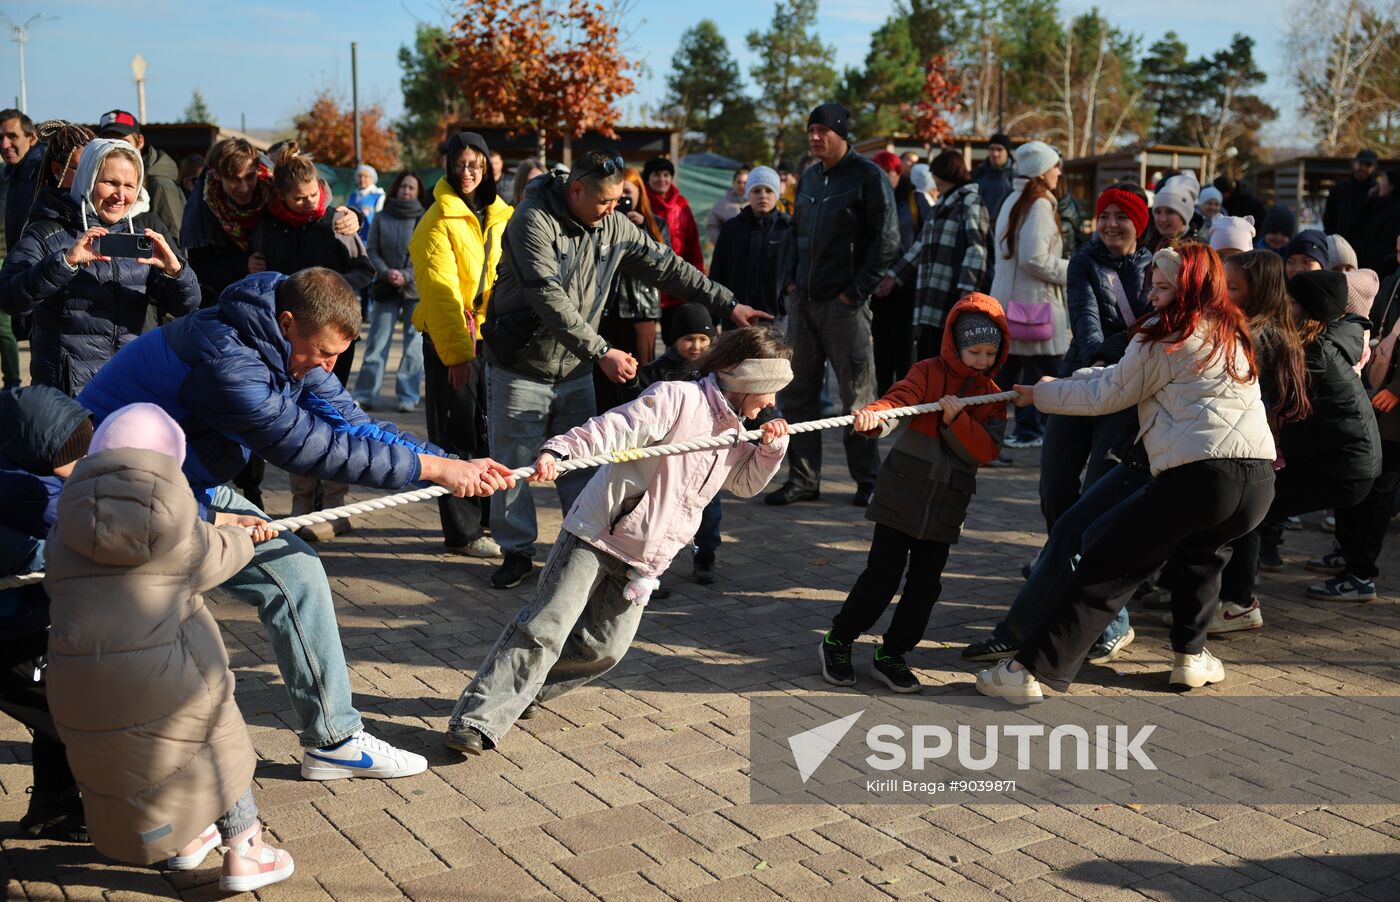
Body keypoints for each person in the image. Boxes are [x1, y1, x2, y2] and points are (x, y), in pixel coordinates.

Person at [77, 267, 517, 779]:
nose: (329, 366)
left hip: (181, 480)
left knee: (295, 569)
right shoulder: (225, 360)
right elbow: (309, 447)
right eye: (325, 354)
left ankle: (332, 741)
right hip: (118, 493)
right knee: (149, 622)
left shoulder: (286, 344)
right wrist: (437, 469)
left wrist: (451, 465)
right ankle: (127, 773)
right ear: (287, 322)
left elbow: (353, 425)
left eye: (337, 356)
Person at [445, 325, 793, 756]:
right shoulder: (678, 399)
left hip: (647, 559)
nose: (774, 402)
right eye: (771, 390)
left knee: (606, 648)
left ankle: (526, 691)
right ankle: (479, 718)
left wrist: (769, 450)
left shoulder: (738, 431)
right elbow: (615, 428)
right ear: (746, 381)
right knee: (546, 627)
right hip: (599, 532)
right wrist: (560, 451)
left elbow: (742, 484)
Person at [978, 244, 1277, 701]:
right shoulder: (1231, 329)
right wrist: (1050, 388)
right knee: (1203, 552)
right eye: (1152, 286)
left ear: (1191, 287)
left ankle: (1024, 672)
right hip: (1257, 484)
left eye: (1163, 287)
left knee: (1108, 566)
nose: (1153, 297)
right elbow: (1119, 377)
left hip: (1200, 476)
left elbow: (1108, 395)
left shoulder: (1166, 331)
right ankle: (1191, 658)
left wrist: (1042, 397)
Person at [479, 151, 771, 589]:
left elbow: (668, 266)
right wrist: (602, 351)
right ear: (576, 189)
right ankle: (516, 552)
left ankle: (581, 553)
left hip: (575, 368)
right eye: (605, 201)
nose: (615, 209)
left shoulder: (612, 222)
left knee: (584, 464)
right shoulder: (531, 221)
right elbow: (548, 298)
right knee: (514, 464)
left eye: (618, 200)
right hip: (520, 366)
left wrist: (729, 303)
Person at [44, 403, 294, 892]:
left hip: (79, 683)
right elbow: (220, 553)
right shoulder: (176, 528)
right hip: (167, 681)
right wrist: (248, 535)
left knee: (142, 757)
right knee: (218, 734)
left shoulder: (66, 528)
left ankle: (180, 842)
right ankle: (246, 850)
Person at [820, 294, 1008, 694]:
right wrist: (875, 417)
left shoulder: (993, 394)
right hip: (901, 494)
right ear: (956, 345)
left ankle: (893, 654)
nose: (981, 359)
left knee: (925, 587)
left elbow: (987, 450)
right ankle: (838, 639)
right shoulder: (927, 371)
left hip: (946, 505)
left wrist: (956, 420)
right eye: (974, 350)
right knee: (881, 578)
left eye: (990, 352)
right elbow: (898, 401)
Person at [1216, 269, 1380, 608]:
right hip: (1344, 461)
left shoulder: (1313, 355)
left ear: (1307, 310)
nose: (1283, 308)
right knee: (1252, 508)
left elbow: (1267, 393)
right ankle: (1236, 593)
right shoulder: (1319, 343)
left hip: (1346, 468)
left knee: (1251, 509)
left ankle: (1238, 603)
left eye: (1290, 303)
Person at [766, 103, 899, 507]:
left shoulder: (868, 177)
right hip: (803, 306)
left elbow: (887, 242)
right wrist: (790, 282)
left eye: (823, 130)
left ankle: (867, 480)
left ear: (842, 134)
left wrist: (853, 294)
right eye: (811, 130)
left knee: (858, 397)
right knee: (798, 395)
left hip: (845, 309)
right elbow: (796, 237)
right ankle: (804, 479)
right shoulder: (807, 178)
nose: (815, 137)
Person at [0, 138, 198, 396]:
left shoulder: (138, 237)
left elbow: (187, 305)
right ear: (88, 178)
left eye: (129, 185)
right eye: (111, 182)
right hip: (68, 396)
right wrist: (65, 262)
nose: (121, 195)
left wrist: (175, 271)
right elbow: (9, 297)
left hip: (130, 387)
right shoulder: (46, 233)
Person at [253, 143, 376, 540]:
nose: (308, 203)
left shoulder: (335, 221)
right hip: (288, 339)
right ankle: (302, 502)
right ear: (282, 196)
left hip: (333, 336)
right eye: (299, 198)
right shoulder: (268, 227)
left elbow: (364, 270)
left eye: (313, 195)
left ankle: (336, 505)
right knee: (294, 417)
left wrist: (332, 296)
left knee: (333, 413)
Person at [409, 131, 514, 559]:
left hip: (494, 339)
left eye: (476, 164)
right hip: (452, 339)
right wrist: (456, 354)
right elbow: (440, 291)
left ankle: (487, 520)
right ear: (449, 166)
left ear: (488, 167)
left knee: (489, 432)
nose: (467, 172)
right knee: (456, 436)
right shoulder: (437, 219)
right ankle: (463, 531)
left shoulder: (500, 215)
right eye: (460, 164)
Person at [0, 386, 92, 842]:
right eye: (73, 455)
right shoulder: (26, 490)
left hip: (24, 622)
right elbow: (98, 524)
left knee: (66, 700)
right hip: (7, 633)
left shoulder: (32, 475)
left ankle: (53, 810)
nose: (84, 464)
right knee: (78, 715)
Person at [1038, 183, 1152, 530]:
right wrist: (1096, 364)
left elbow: (1152, 328)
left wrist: (1113, 368)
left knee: (1099, 487)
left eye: (1122, 217)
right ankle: (1059, 551)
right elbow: (1085, 317)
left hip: (1127, 387)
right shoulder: (1083, 261)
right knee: (1054, 484)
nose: (1111, 225)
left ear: (1139, 223)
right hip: (1080, 376)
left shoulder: (1156, 267)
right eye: (1104, 216)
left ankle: (1082, 562)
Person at [182, 137, 361, 307]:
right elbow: (200, 269)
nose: (244, 188)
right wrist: (243, 265)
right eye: (234, 180)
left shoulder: (272, 186)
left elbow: (314, 203)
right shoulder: (202, 210)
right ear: (217, 175)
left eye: (249, 177)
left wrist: (352, 216)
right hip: (232, 299)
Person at [621, 303, 725, 583]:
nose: (696, 346)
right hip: (664, 461)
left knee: (709, 512)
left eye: (704, 339)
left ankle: (706, 556)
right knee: (656, 516)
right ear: (673, 339)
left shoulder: (717, 372)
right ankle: (650, 568)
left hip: (704, 458)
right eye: (688, 339)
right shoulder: (655, 372)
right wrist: (631, 383)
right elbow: (638, 407)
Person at [1320, 269, 1400, 600]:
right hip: (1380, 398)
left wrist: (1397, 389)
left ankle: (1360, 572)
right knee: (1369, 486)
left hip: (1393, 410)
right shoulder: (1395, 281)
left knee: (1380, 492)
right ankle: (1353, 559)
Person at [876, 150, 990, 362]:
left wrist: (966, 293)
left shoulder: (970, 201)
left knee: (949, 357)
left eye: (936, 172)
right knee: (929, 357)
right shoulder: (942, 203)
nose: (933, 178)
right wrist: (894, 275)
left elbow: (977, 248)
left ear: (947, 173)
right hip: (931, 296)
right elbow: (920, 246)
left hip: (952, 295)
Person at [990, 140, 1067, 449]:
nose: (1059, 172)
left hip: (1014, 304)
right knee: (1049, 372)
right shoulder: (1038, 204)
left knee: (1013, 373)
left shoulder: (1014, 198)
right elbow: (1034, 257)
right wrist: (1069, 270)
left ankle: (1000, 433)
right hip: (1036, 307)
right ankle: (1038, 434)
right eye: (1054, 166)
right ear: (1040, 172)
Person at [593, 165, 665, 413]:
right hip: (607, 309)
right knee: (605, 379)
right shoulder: (601, 221)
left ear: (639, 193)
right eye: (618, 194)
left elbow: (662, 263)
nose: (622, 200)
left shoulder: (655, 224)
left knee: (640, 375)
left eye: (628, 193)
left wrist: (641, 229)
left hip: (641, 310)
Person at [354, 171, 425, 413]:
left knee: (414, 345)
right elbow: (371, 250)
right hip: (385, 286)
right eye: (403, 186)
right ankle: (365, 394)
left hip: (415, 289)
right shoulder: (382, 217)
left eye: (411, 188)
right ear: (395, 188)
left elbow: (428, 254)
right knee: (377, 342)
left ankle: (408, 395)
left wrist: (405, 275)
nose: (406, 191)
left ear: (418, 192)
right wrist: (387, 273)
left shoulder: (424, 218)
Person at [708, 165, 796, 324]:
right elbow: (718, 273)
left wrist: (786, 302)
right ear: (748, 193)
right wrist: (713, 319)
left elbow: (798, 269)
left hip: (777, 318)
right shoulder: (731, 229)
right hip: (736, 317)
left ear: (776, 194)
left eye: (768, 191)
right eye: (756, 191)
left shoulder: (788, 228)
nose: (763, 196)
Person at [96, 109, 185, 246]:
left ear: (140, 142)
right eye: (110, 141)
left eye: (124, 142)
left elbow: (176, 240)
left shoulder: (159, 183)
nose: (117, 148)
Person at [643, 157, 707, 339]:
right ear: (648, 178)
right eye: (656, 174)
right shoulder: (642, 202)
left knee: (674, 335)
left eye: (666, 174)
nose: (661, 179)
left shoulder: (681, 204)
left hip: (676, 277)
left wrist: (697, 273)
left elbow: (693, 242)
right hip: (647, 279)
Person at [869, 150, 916, 395]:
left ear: (898, 172)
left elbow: (922, 242)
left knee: (904, 347)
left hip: (905, 285)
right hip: (877, 286)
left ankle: (905, 398)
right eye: (879, 171)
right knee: (881, 348)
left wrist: (896, 275)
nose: (884, 177)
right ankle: (886, 398)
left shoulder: (914, 199)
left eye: (888, 171)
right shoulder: (871, 198)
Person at [0, 109, 41, 390]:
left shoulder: (42, 172)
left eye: (12, 136)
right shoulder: (10, 174)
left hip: (38, 273)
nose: (5, 144)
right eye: (0, 137)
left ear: (32, 138)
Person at [1324, 148, 1379, 247]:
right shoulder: (1339, 190)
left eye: (1368, 165)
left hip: (1368, 249)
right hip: (1340, 247)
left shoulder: (1378, 192)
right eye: (1361, 163)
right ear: (1354, 164)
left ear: (1374, 168)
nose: (1363, 168)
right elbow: (1328, 219)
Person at [1144, 172, 1203, 248]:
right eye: (1158, 212)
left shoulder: (1198, 251)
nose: (1163, 219)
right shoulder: (1147, 245)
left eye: (1170, 212)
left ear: (1185, 216)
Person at [972, 133, 1015, 221]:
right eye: (992, 149)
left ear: (1007, 152)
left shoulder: (1016, 176)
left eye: (999, 149)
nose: (995, 154)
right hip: (979, 226)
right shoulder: (978, 173)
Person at [705, 165, 749, 246]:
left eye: (745, 183)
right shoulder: (722, 204)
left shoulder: (755, 204)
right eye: (739, 182)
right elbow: (712, 226)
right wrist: (722, 244)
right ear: (733, 183)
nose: (741, 185)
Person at [346, 164, 386, 241]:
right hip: (352, 239)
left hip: (370, 240)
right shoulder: (352, 196)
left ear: (372, 178)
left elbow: (381, 222)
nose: (362, 179)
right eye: (360, 176)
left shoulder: (378, 196)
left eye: (366, 176)